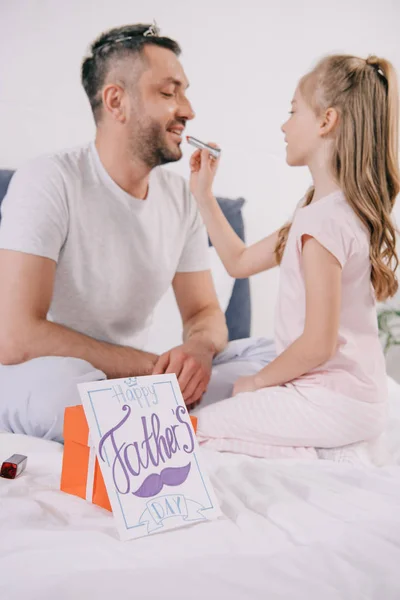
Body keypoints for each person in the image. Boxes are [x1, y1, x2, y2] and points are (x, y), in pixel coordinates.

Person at [0, 23, 273, 443]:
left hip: (135, 383)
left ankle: (155, 414)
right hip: (44, 375)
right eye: (169, 93)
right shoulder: (48, 180)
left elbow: (204, 312)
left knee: (266, 362)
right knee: (68, 388)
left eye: (183, 92)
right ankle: (159, 413)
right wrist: (155, 370)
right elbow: (15, 336)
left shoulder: (182, 198)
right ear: (116, 101)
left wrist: (198, 351)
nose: (188, 110)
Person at [189, 54, 399, 458]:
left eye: (292, 111)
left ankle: (316, 457)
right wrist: (203, 194)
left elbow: (318, 344)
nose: (284, 125)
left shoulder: (321, 224)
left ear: (326, 121)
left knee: (191, 432)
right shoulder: (329, 213)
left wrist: (258, 382)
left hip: (333, 402)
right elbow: (240, 262)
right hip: (358, 399)